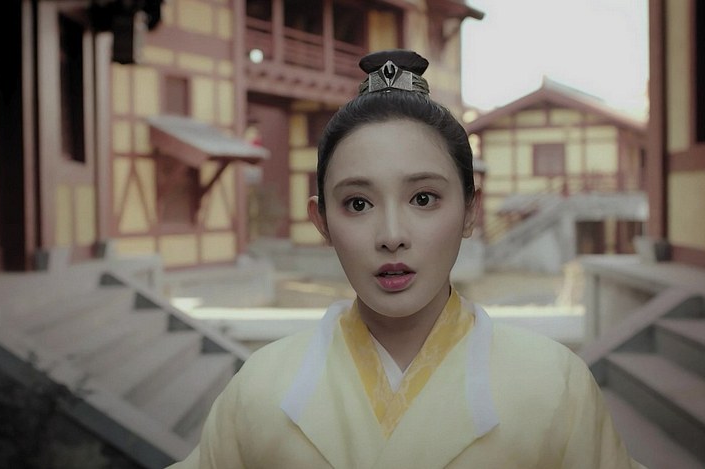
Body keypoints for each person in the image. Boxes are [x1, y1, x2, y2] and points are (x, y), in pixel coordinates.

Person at [168, 50, 643, 469]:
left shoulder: (555, 386)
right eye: (358, 203)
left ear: (470, 211)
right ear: (322, 222)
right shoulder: (260, 389)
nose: (392, 236)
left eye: (423, 198)